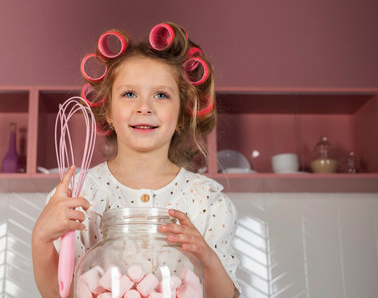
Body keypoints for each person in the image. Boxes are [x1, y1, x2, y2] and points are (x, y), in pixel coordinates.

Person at [32, 22, 241, 298]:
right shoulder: (81, 195)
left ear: (182, 113)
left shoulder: (206, 202)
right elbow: (60, 294)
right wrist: (41, 239)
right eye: (129, 94)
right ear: (107, 110)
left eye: (161, 95)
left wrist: (208, 259)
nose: (145, 106)